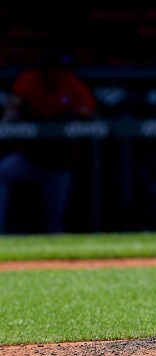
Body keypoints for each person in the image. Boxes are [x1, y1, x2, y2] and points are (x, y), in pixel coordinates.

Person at [0, 48, 97, 233]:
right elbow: (12, 108)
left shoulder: (72, 83)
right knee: (2, 172)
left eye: (61, 72)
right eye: (53, 71)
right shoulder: (29, 80)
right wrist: (12, 116)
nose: (57, 76)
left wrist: (71, 115)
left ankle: (57, 242)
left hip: (58, 163)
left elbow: (91, 114)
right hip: (30, 157)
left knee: (56, 217)